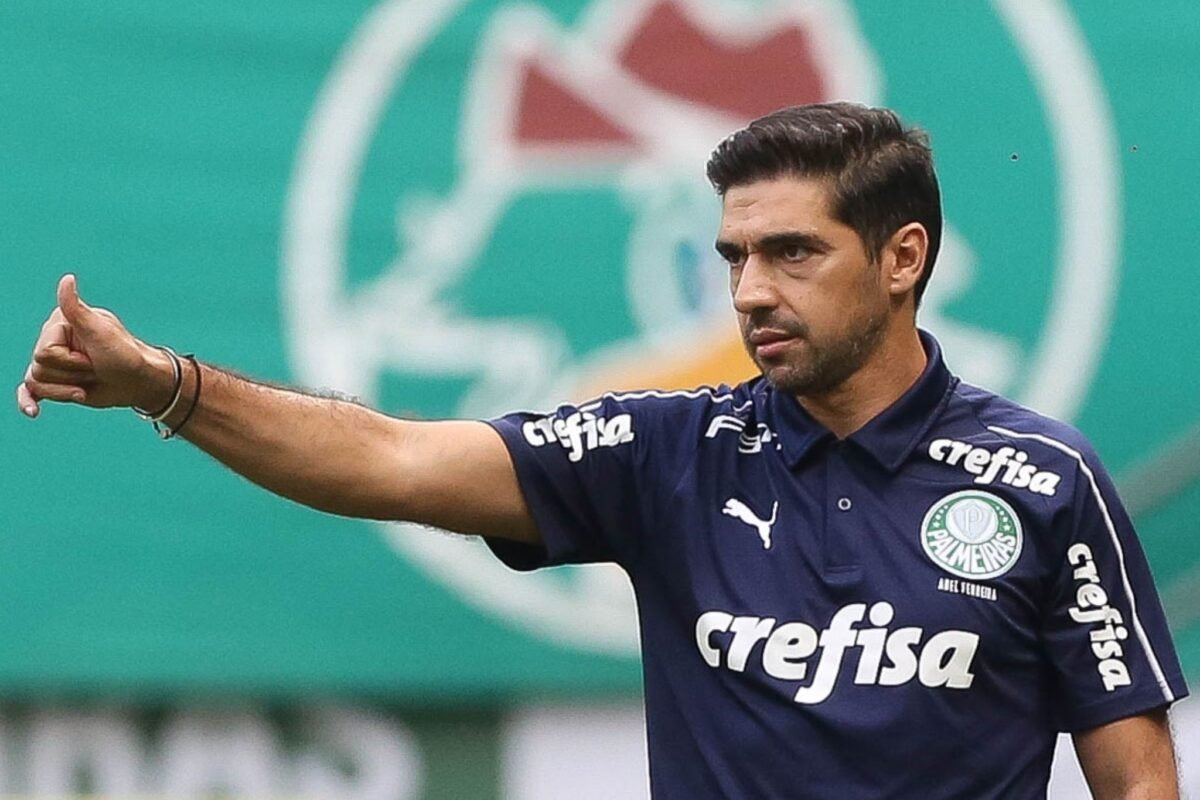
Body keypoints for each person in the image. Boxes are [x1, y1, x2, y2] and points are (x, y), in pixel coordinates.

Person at [16, 102, 1188, 799]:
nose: (750, 291)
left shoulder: (1046, 480)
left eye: (791, 252)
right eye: (732, 256)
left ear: (903, 256)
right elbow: (390, 460)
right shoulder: (665, 446)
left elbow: (1136, 778)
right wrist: (164, 383)